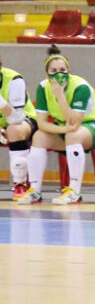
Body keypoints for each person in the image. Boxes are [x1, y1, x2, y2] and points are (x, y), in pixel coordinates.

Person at [17, 46, 95, 205]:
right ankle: (35, 190)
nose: (59, 74)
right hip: (67, 129)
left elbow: (74, 122)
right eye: (53, 71)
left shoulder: (80, 86)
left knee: (73, 135)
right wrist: (63, 129)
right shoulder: (42, 87)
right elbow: (41, 124)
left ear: (69, 71)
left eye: (63, 70)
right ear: (46, 74)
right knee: (39, 137)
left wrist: (60, 95)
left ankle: (74, 191)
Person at [0, 54, 38, 200]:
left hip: (25, 121)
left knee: (14, 130)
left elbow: (16, 118)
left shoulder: (15, 80)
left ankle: (19, 184)